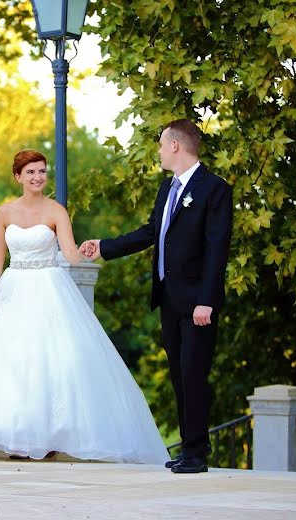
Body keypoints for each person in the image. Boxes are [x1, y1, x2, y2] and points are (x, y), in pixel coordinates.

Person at [0, 149, 168, 464]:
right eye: (31, 172)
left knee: (47, 362)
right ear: (18, 177)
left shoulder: (56, 211)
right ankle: (15, 436)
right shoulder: (5, 212)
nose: (38, 177)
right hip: (13, 288)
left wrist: (92, 249)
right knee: (11, 363)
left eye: (42, 171)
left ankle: (46, 438)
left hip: (48, 288)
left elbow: (70, 253)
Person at [80, 119, 232, 474]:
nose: (160, 151)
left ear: (176, 146)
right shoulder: (167, 189)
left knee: (194, 373)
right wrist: (104, 247)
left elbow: (217, 248)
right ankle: (189, 447)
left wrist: (207, 300)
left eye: (162, 145)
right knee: (179, 375)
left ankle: (196, 454)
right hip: (168, 296)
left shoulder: (214, 189)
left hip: (198, 300)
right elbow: (151, 232)